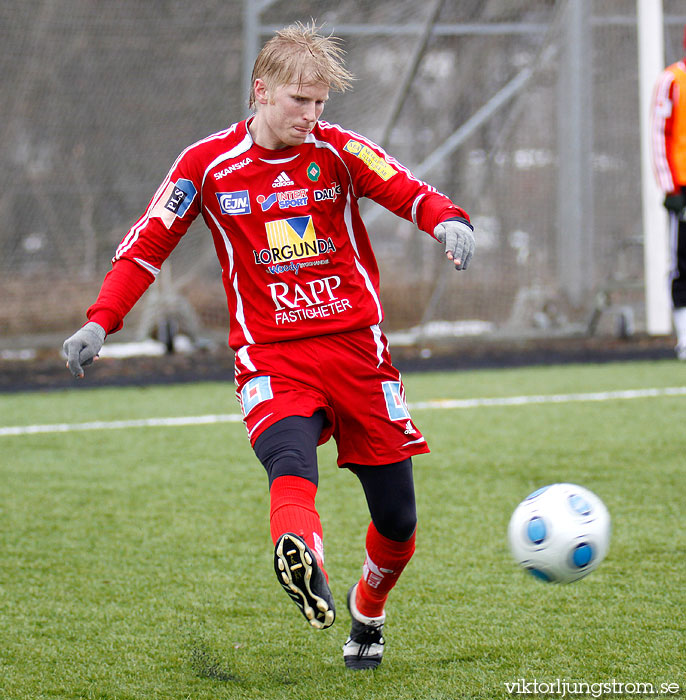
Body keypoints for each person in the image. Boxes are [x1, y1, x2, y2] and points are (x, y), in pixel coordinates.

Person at [62, 22, 475, 670]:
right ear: (261, 90)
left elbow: (406, 189)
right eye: (298, 102)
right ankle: (300, 555)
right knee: (289, 459)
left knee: (397, 521)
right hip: (273, 357)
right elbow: (147, 244)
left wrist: (448, 220)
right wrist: (99, 320)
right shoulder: (207, 166)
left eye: (320, 104)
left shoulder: (338, 152)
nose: (311, 116)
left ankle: (367, 611)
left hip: (358, 352)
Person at [650, 25, 686, 360]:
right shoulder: (672, 79)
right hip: (684, 187)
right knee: (683, 261)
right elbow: (659, 134)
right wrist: (670, 186)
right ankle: (685, 338)